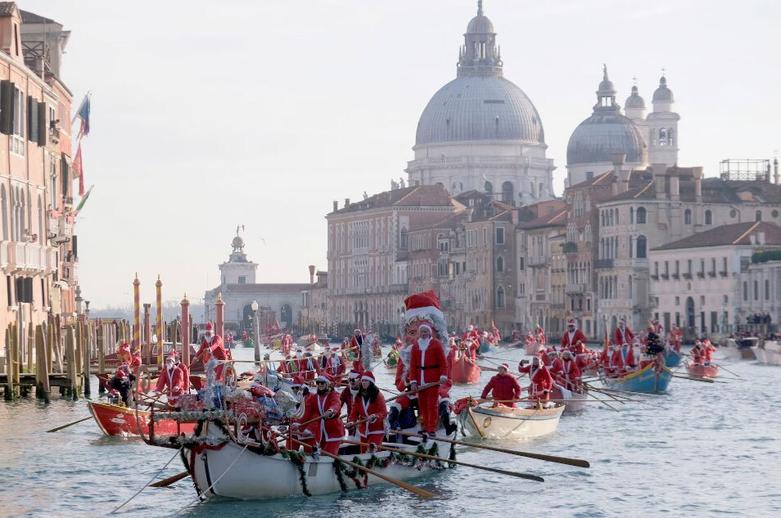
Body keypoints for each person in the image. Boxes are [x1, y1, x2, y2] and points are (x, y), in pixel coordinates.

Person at [294, 375, 345, 455]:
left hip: (334, 430)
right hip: (321, 431)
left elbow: (336, 404)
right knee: (321, 453)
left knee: (328, 454)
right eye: (318, 383)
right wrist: (298, 423)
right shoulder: (315, 397)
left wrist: (330, 411)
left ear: (328, 384)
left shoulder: (334, 395)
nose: (319, 384)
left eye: (322, 382)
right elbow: (307, 412)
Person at [347, 371, 387, 452]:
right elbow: (354, 412)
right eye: (363, 381)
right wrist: (351, 422)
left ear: (371, 382)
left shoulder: (378, 395)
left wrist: (375, 416)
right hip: (363, 429)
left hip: (376, 429)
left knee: (372, 452)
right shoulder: (358, 396)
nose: (364, 383)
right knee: (363, 452)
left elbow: (383, 412)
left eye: (366, 381)